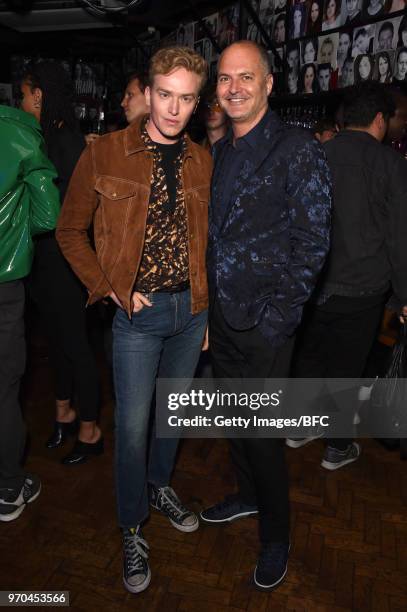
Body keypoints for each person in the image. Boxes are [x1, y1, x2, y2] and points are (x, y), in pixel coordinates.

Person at [56, 46, 212, 595]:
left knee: (172, 417)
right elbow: (69, 231)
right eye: (164, 94)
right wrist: (110, 288)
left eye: (186, 98)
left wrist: (205, 306)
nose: (173, 108)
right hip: (137, 317)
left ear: (198, 103)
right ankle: (131, 526)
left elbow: (204, 242)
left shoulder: (202, 158)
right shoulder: (105, 153)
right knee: (133, 428)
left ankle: (160, 486)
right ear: (147, 93)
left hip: (190, 315)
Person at [201, 40, 331, 591]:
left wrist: (279, 318)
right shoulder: (224, 149)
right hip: (225, 319)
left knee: (262, 433)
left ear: (269, 84)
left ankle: (276, 535)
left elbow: (313, 242)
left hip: (266, 324)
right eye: (226, 79)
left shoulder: (297, 148)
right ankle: (248, 496)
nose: (233, 88)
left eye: (245, 78)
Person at [288, 82, 407, 468]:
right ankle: (337, 447)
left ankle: (300, 427)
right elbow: (400, 236)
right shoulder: (390, 164)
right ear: (379, 119)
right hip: (363, 287)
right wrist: (404, 295)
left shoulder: (317, 154)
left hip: (315, 281)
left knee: (309, 357)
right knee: (347, 366)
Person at [20, 61, 102, 466]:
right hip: (45, 263)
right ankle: (63, 411)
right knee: (56, 344)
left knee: (76, 346)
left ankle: (91, 430)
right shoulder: (41, 138)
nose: (20, 102)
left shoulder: (67, 142)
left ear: (38, 95)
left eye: (23, 94)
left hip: (67, 263)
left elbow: (77, 213)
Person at [0, 104, 59, 522]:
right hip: (3, 285)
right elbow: (48, 214)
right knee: (4, 388)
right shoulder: (17, 134)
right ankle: (6, 487)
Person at [85, 72, 149, 145]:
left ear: (149, 96)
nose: (122, 103)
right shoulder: (123, 141)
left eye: (130, 95)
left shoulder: (161, 139)